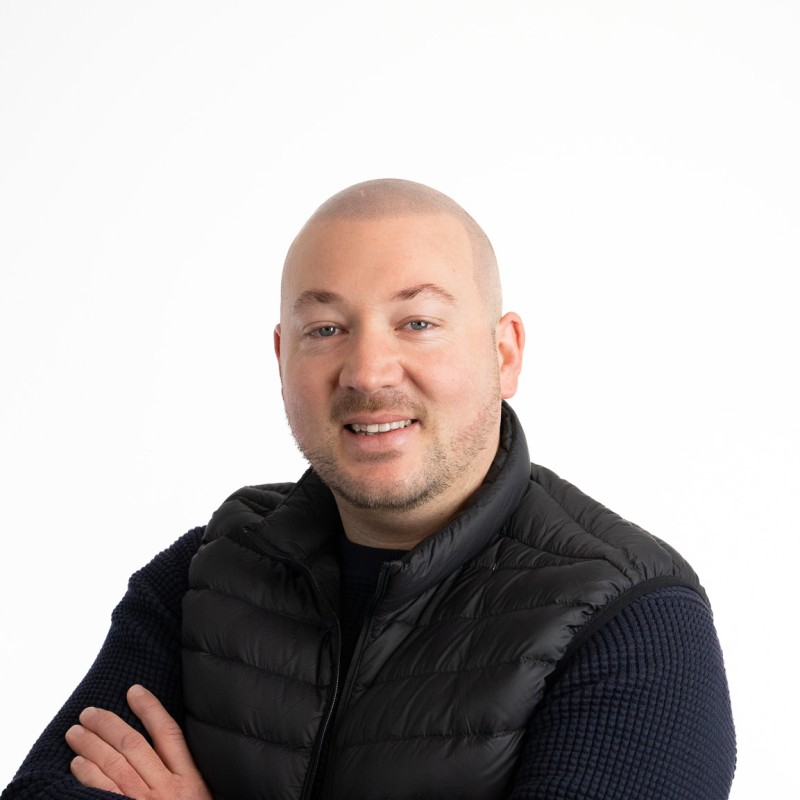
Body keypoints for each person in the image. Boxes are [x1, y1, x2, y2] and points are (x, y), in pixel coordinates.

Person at [2, 179, 736, 800]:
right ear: (282, 358)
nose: (367, 372)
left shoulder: (633, 621)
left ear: (504, 353)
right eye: (326, 329)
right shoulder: (203, 576)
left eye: (417, 322)